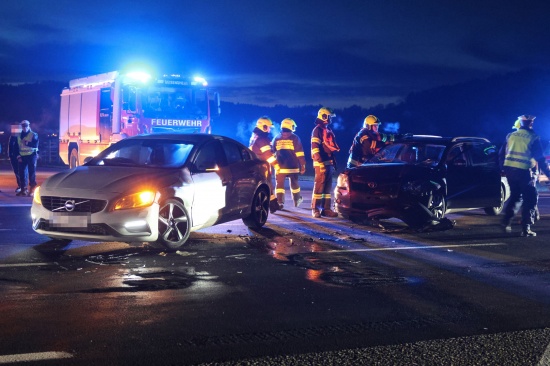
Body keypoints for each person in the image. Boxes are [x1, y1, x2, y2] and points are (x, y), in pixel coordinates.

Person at [499, 115, 550, 237]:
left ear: (521, 123)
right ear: (531, 124)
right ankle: (526, 228)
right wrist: (548, 174)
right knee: (530, 198)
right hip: (524, 171)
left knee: (516, 197)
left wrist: (503, 168)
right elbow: (540, 159)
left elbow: (501, 153)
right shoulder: (533, 137)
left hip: (510, 170)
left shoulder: (511, 135)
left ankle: (506, 222)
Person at [310, 107, 340, 218]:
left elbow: (330, 148)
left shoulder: (327, 130)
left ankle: (326, 209)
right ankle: (315, 209)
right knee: (319, 187)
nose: (330, 119)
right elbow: (315, 147)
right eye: (329, 117)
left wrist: (333, 163)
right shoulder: (317, 130)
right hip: (321, 163)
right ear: (323, 116)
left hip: (328, 163)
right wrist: (320, 162)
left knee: (327, 188)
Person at [272, 118, 306, 209]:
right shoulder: (295, 138)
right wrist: (303, 165)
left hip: (280, 167)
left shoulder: (276, 138)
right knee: (294, 184)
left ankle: (279, 202)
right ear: (290, 126)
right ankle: (297, 200)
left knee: (279, 186)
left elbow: (272, 151)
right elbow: (299, 152)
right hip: (293, 167)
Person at [249, 116, 281, 213]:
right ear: (264, 127)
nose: (270, 130)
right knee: (266, 185)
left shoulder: (255, 137)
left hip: (257, 165)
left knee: (267, 185)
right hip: (262, 166)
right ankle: (270, 206)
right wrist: (276, 165)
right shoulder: (262, 139)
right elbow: (268, 155)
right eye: (268, 127)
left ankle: (273, 205)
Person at [16, 120, 39, 197]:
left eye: (26, 126)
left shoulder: (33, 134)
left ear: (29, 126)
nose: (25, 128)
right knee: (22, 173)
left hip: (32, 155)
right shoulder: (19, 136)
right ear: (21, 127)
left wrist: (27, 143)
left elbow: (35, 145)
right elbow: (16, 147)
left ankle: (32, 189)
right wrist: (18, 156)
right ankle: (23, 189)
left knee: (31, 173)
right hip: (22, 156)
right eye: (23, 126)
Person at [8, 124, 23, 193]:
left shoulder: (21, 137)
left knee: (21, 171)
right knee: (16, 171)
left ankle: (22, 186)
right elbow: (10, 147)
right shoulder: (12, 137)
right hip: (13, 157)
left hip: (20, 156)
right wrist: (10, 155)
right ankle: (20, 186)